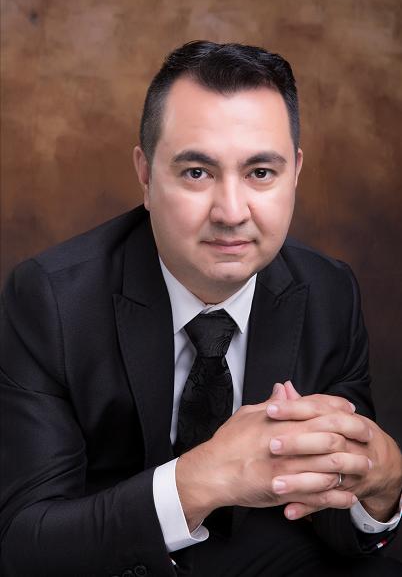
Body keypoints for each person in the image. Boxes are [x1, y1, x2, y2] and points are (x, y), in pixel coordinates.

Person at [1, 41, 401, 577]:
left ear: (296, 173)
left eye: (261, 172)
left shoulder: (331, 291)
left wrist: (384, 489)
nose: (231, 213)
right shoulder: (50, 300)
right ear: (145, 175)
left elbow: (333, 513)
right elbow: (25, 543)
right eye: (196, 172)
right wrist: (202, 478)